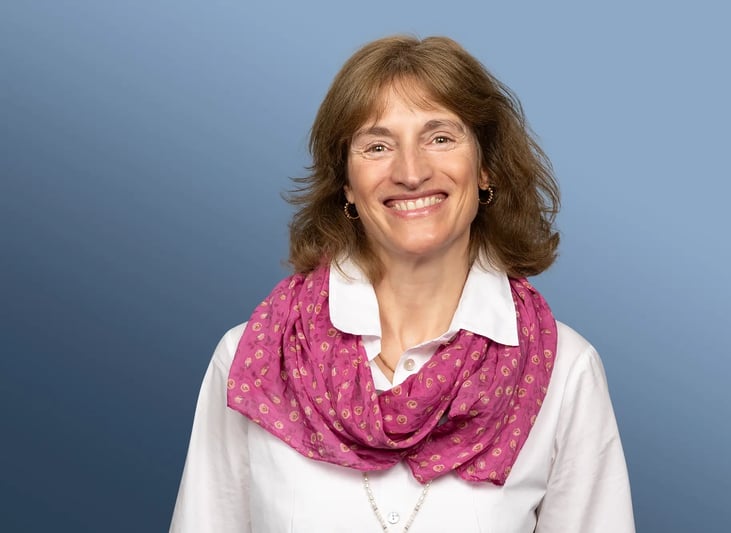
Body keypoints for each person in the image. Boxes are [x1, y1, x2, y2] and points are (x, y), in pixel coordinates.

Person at [170, 35, 634, 533]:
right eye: (377, 146)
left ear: (485, 168)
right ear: (346, 183)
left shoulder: (564, 370)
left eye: (440, 138)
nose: (411, 173)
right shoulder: (256, 357)